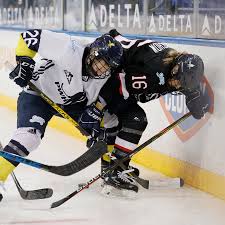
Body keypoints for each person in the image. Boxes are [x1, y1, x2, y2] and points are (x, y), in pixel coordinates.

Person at [83, 29, 211, 196]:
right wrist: (98, 111)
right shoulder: (153, 73)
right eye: (177, 80)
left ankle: (113, 168)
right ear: (174, 69)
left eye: (181, 85)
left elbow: (183, 79)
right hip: (105, 72)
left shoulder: (174, 64)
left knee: (128, 119)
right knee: (133, 119)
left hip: (119, 70)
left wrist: (193, 94)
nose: (176, 85)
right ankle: (114, 170)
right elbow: (117, 87)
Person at [0, 29, 123, 200]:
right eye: (100, 62)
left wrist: (94, 127)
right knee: (28, 137)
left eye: (107, 67)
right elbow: (29, 37)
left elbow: (94, 106)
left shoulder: (104, 78)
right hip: (38, 94)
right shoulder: (69, 48)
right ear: (92, 53)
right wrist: (24, 62)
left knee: (110, 122)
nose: (101, 70)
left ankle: (109, 172)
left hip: (70, 104)